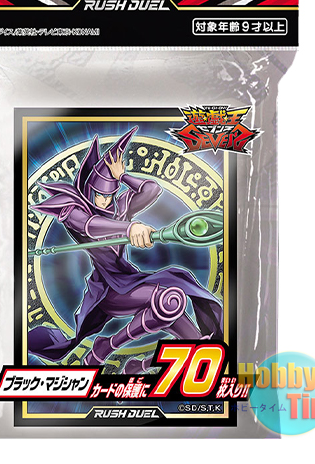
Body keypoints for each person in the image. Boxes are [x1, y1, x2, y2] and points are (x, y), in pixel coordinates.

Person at [29, 127, 223, 373]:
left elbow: (152, 190)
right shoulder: (74, 211)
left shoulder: (119, 206)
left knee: (194, 343)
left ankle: (138, 366)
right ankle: (105, 347)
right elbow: (91, 227)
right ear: (88, 191)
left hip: (130, 279)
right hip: (109, 290)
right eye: (99, 195)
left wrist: (122, 176)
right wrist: (129, 227)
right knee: (168, 298)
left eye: (109, 195)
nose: (104, 201)